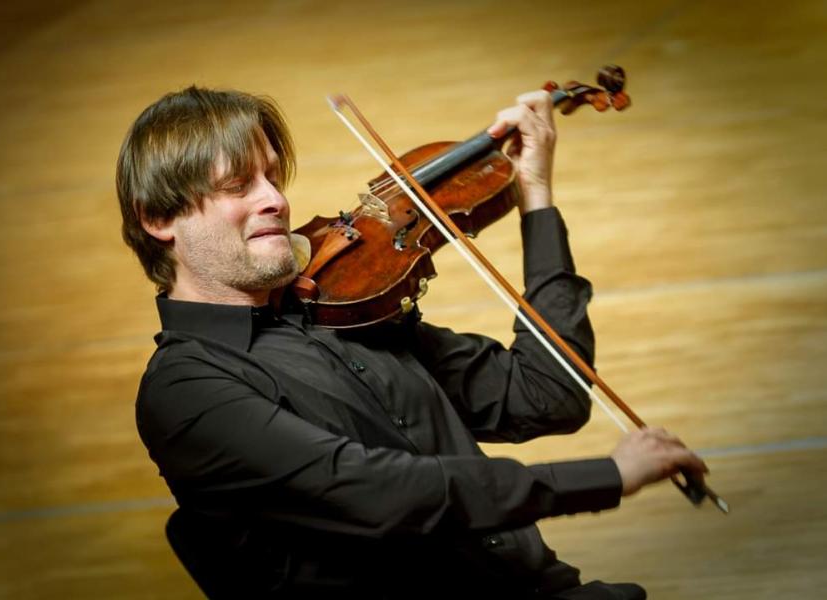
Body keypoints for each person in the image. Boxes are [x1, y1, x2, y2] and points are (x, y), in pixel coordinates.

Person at [116, 86, 708, 599]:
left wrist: (535, 195)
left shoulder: (340, 311)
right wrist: (605, 475)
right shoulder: (186, 392)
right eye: (239, 185)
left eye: (273, 176)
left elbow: (546, 395)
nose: (275, 199)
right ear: (158, 219)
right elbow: (378, 492)